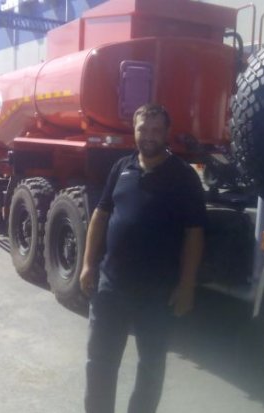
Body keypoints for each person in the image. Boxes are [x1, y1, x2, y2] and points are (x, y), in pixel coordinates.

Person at [80, 103, 206, 413]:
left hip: (156, 293)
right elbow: (100, 215)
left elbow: (194, 234)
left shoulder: (183, 176)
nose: (148, 136)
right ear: (134, 131)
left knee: (151, 366)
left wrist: (187, 286)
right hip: (112, 286)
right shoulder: (121, 168)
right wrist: (88, 264)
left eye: (155, 130)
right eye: (143, 129)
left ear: (166, 133)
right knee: (100, 362)